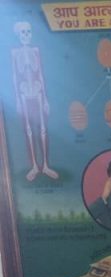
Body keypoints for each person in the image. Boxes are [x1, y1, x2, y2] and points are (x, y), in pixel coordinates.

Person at [11, 21, 56, 181]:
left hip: (37, 91)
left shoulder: (36, 50)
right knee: (28, 129)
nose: (26, 35)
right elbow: (15, 76)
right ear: (18, 35)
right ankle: (34, 166)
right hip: (24, 92)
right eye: (23, 32)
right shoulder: (15, 52)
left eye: (28, 32)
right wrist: (17, 98)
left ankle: (45, 165)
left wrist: (45, 99)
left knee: (43, 128)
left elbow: (40, 74)